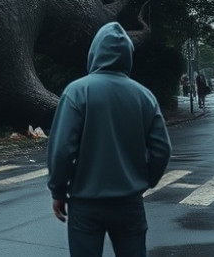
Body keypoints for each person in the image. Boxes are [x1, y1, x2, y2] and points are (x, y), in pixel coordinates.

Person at [47, 22, 172, 256]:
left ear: (94, 52)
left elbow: (62, 150)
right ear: (128, 56)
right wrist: (145, 181)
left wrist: (58, 191)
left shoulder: (76, 92)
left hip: (86, 202)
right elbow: (162, 149)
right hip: (129, 203)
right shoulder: (144, 96)